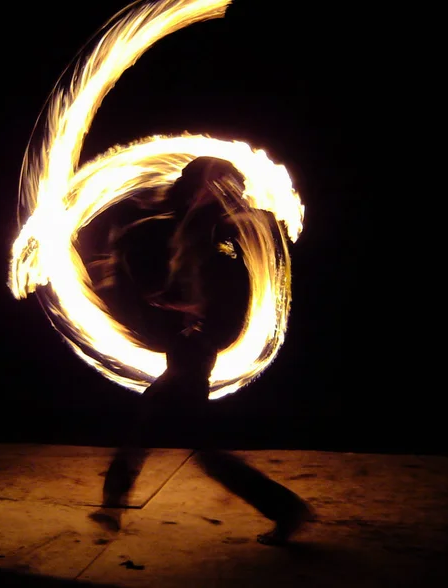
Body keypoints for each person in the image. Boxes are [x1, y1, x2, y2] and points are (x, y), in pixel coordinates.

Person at [89, 157, 314, 543]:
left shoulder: (218, 232)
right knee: (149, 420)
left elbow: (222, 290)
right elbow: (165, 256)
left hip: (195, 348)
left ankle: (286, 509)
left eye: (215, 183)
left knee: (200, 446)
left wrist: (193, 316)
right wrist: (122, 261)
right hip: (185, 345)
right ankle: (112, 505)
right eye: (206, 182)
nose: (216, 189)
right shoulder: (189, 223)